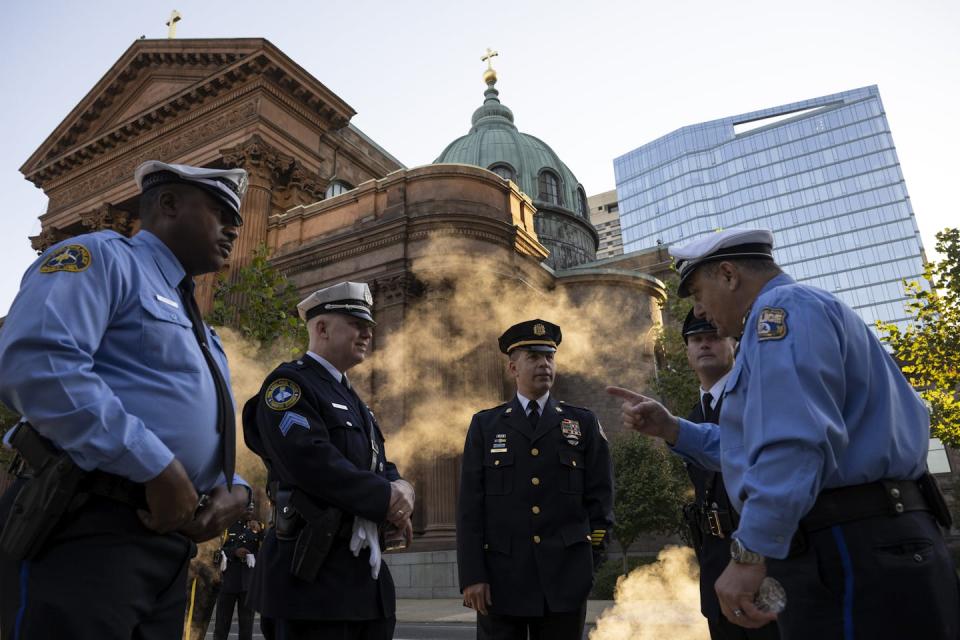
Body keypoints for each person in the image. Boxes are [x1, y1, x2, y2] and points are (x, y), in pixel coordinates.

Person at [608, 228, 960, 639]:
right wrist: (672, 429)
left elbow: (792, 443)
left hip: (851, 543)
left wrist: (749, 552)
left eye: (698, 294)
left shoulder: (780, 313)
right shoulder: (793, 313)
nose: (700, 311)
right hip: (870, 539)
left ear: (728, 274)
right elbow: (753, 446)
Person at [0, 161, 253, 640]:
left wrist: (235, 488)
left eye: (237, 220)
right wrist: (154, 464)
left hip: (165, 541)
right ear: (169, 204)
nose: (234, 229)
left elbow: (192, 420)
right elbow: (37, 362)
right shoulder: (101, 256)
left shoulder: (201, 323)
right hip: (87, 523)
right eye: (221, 213)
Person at [243, 281, 415, 640]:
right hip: (310, 582)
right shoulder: (288, 386)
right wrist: (385, 499)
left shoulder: (354, 401)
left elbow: (376, 464)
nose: (367, 333)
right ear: (321, 328)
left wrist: (402, 489)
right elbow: (311, 461)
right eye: (356, 324)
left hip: (359, 582)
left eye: (368, 326)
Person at [457, 319, 614, 640]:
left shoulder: (581, 423)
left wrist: (587, 563)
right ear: (513, 368)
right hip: (501, 582)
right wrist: (473, 575)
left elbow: (601, 501)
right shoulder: (486, 426)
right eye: (533, 357)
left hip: (565, 580)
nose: (544, 364)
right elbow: (470, 508)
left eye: (549, 357)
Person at [680, 310, 779, 640]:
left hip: (764, 565)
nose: (704, 344)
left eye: (713, 337)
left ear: (733, 344)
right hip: (716, 566)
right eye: (696, 340)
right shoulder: (691, 418)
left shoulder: (758, 396)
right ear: (687, 352)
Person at [213, 518, 263, 640]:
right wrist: (234, 552)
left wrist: (253, 555)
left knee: (246, 629)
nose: (249, 510)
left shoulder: (259, 526)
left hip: (248, 583)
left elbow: (266, 549)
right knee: (221, 627)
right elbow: (216, 549)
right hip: (228, 581)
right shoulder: (226, 524)